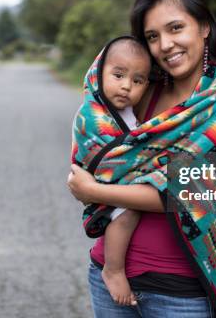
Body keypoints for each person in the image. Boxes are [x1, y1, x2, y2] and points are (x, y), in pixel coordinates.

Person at [68, 0, 216, 318]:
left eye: (175, 28)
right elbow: (98, 145)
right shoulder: (142, 87)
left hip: (180, 293)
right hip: (107, 278)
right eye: (152, 36)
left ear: (204, 27)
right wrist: (96, 173)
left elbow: (191, 192)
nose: (165, 45)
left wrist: (95, 188)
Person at [76, 36, 152, 306]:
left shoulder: (128, 110)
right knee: (127, 211)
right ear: (99, 73)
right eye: (118, 75)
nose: (126, 86)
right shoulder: (94, 111)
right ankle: (114, 268)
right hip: (109, 186)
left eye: (137, 81)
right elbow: (96, 148)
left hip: (114, 185)